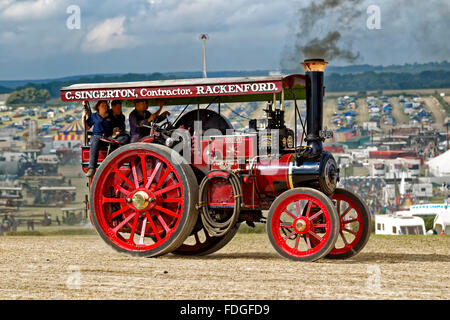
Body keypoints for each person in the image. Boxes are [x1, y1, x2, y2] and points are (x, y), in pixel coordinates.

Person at [82, 100, 112, 177]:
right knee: (95, 140)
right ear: (98, 107)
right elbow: (87, 127)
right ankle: (92, 167)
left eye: (106, 105)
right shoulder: (94, 116)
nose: (105, 107)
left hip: (108, 138)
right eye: (103, 105)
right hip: (97, 137)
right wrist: (83, 117)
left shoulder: (110, 116)